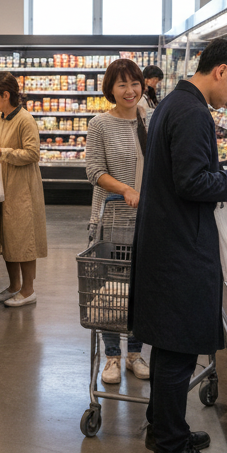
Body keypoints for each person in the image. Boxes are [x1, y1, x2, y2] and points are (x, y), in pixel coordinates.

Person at [128, 36, 227, 453]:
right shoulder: (192, 112)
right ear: (222, 71)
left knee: (172, 346)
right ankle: (170, 447)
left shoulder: (175, 104)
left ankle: (162, 427)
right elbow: (191, 184)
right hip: (181, 249)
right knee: (179, 348)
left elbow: (180, 168)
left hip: (167, 242)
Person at [85, 58, 150, 384]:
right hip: (111, 219)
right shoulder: (100, 124)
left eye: (135, 83)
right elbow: (94, 171)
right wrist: (126, 189)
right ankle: (111, 357)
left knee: (142, 289)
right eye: (122, 84)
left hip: (147, 219)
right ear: (110, 88)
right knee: (110, 291)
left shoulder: (152, 118)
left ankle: (135, 354)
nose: (130, 90)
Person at [0, 72, 47, 308]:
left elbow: (32, 153)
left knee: (24, 238)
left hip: (22, 188)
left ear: (6, 95)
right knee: (8, 237)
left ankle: (28, 290)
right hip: (3, 185)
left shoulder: (25, 120)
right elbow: (1, 144)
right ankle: (13, 286)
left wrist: (3, 152)